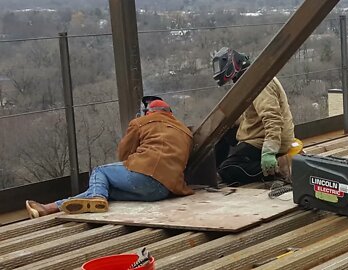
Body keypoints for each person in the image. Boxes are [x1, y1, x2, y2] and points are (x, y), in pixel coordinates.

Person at [25, 99, 193, 219]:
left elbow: (124, 154)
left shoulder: (142, 122)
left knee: (100, 172)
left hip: (144, 177)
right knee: (107, 191)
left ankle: (96, 197)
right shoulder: (185, 131)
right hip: (162, 191)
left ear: (149, 112)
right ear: (170, 114)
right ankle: (50, 208)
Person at [212, 47, 295, 184]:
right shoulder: (250, 80)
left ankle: (280, 166)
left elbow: (272, 118)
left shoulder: (259, 83)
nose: (233, 82)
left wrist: (269, 151)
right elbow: (250, 114)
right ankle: (216, 172)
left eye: (233, 79)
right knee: (223, 133)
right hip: (258, 133)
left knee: (229, 169)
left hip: (270, 138)